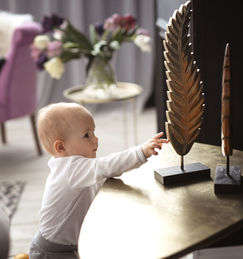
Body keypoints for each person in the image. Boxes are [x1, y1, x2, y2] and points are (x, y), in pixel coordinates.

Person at [29, 102, 168, 259]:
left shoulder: (75, 168)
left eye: (93, 132)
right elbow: (107, 165)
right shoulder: (71, 169)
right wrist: (141, 152)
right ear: (61, 147)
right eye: (87, 135)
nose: (95, 139)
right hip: (52, 252)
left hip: (66, 245)